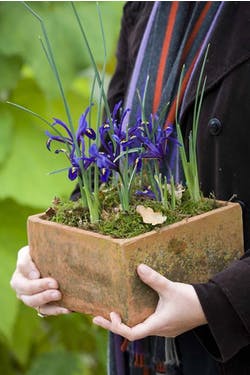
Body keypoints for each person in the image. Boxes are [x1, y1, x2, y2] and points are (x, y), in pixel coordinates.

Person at [10, 2, 250, 375]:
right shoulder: (146, 7)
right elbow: (110, 155)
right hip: (137, 349)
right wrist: (49, 260)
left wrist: (215, 303)